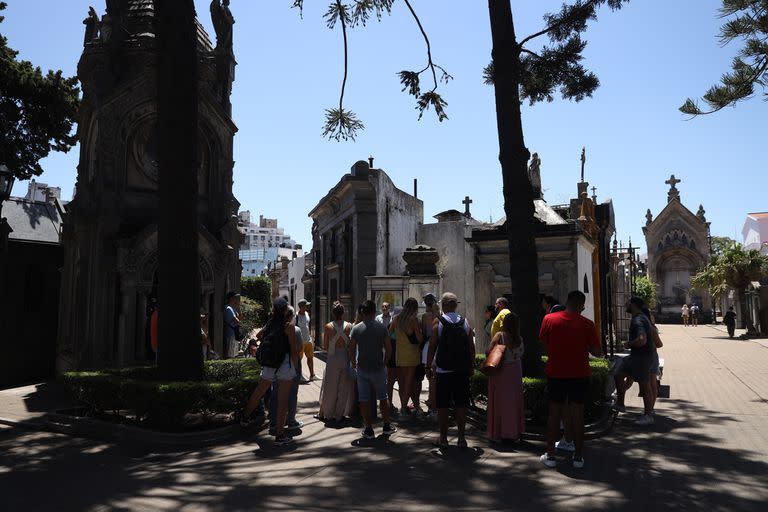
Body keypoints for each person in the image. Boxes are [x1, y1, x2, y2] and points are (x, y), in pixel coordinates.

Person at [539, 290, 602, 469]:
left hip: (556, 374)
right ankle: (578, 458)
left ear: (567, 301)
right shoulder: (587, 324)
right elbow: (597, 352)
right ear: (581, 305)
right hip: (579, 374)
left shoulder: (549, 320)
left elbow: (544, 345)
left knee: (554, 415)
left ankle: (551, 456)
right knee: (578, 416)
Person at [241, 298, 298, 445]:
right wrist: (295, 366)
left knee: (259, 391)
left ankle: (245, 418)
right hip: (284, 364)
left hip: (269, 363)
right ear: (285, 310)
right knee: (282, 400)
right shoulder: (289, 326)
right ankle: (279, 435)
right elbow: (293, 349)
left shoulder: (270, 324)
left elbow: (259, 336)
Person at [427, 292, 476, 449]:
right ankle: (461, 439)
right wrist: (471, 365)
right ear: (455, 305)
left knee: (443, 405)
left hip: (443, 370)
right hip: (461, 370)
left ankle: (443, 438)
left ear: (445, 305)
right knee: (461, 404)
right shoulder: (464, 322)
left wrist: (428, 366)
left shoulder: (438, 322)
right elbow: (471, 346)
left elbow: (432, 346)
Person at [349, 300, 397, 439]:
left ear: (362, 312)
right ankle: (386, 425)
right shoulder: (382, 328)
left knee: (364, 399)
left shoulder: (356, 329)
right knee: (383, 397)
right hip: (378, 368)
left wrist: (353, 363)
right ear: (374, 311)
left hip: (362, 368)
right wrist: (384, 362)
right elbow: (389, 349)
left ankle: (368, 428)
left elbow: (351, 349)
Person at [614, 296, 656, 426]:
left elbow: (642, 339)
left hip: (641, 357)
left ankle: (648, 415)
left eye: (627, 302)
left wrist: (628, 344)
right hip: (641, 357)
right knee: (619, 372)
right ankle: (620, 403)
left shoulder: (638, 320)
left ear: (632, 305)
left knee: (644, 385)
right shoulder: (641, 318)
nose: (625, 304)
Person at [486, 311, 525, 443]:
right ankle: (514, 432)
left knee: (499, 403)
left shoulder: (500, 336)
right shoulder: (520, 339)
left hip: (501, 372)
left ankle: (499, 432)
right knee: (514, 403)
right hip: (515, 372)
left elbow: (488, 352)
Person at [268, 306, 303, 434]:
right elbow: (297, 350)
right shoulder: (296, 330)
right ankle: (291, 421)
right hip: (290, 365)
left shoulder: (272, 329)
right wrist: (296, 368)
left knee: (275, 394)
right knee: (292, 394)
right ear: (291, 316)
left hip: (275, 365)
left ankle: (273, 422)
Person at [318, 301, 354, 422]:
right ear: (343, 313)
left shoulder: (328, 327)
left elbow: (325, 347)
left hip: (333, 357)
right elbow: (350, 344)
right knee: (343, 387)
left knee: (330, 386)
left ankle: (328, 412)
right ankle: (340, 414)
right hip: (345, 356)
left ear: (333, 313)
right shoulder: (349, 326)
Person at [389, 298, 423, 418]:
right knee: (409, 382)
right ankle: (403, 409)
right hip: (412, 354)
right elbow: (419, 339)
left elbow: (389, 334)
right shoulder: (413, 320)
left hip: (400, 353)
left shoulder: (396, 319)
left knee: (403, 383)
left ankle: (405, 407)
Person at [421, 295, 441, 416]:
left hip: (428, 346)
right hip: (439, 347)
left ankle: (433, 403)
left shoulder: (425, 316)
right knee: (436, 376)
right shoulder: (440, 316)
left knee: (430, 376)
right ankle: (434, 400)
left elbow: (424, 333)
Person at [296, 299, 316, 381]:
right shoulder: (296, 316)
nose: (308, 307)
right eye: (306, 305)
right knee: (299, 360)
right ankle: (299, 375)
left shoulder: (307, 314)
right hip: (300, 341)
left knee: (310, 357)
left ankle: (312, 375)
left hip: (308, 340)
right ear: (301, 307)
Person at [224, 292, 241, 358]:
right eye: (235, 298)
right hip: (230, 333)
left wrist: (238, 307)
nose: (237, 299)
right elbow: (237, 321)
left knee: (234, 354)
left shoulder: (233, 308)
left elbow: (240, 318)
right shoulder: (228, 308)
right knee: (230, 354)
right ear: (231, 299)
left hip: (234, 333)